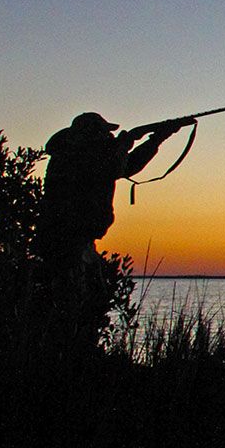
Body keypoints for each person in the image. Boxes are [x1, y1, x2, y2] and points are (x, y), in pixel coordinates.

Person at [35, 111, 182, 348]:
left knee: (89, 301)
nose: (107, 137)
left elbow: (127, 167)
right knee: (72, 307)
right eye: (104, 132)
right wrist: (124, 143)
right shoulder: (77, 157)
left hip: (76, 241)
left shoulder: (82, 154)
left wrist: (156, 140)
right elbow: (112, 166)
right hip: (67, 241)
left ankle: (79, 350)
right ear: (91, 134)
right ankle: (71, 357)